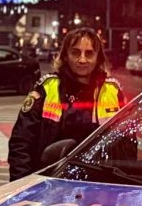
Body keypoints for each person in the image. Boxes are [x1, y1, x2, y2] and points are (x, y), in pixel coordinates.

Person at [8, 28, 125, 181]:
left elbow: (126, 146)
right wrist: (22, 186)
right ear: (65, 56)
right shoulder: (47, 88)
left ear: (98, 58)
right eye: (75, 53)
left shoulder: (112, 91)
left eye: (89, 53)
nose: (82, 60)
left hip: (101, 184)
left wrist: (124, 185)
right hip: (51, 182)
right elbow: (21, 143)